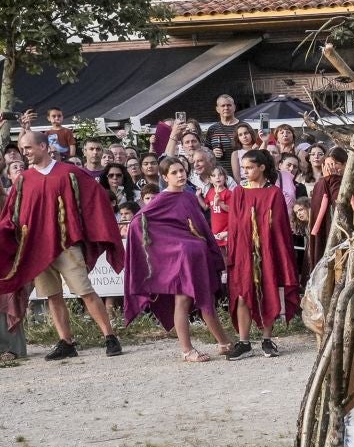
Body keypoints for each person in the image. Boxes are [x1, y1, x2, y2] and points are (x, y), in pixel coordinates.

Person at [0, 127, 124, 359]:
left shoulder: (69, 173)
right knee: (52, 296)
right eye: (21, 149)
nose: (23, 153)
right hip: (36, 248)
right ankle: (66, 342)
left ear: (43, 147)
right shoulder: (23, 180)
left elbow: (95, 201)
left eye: (27, 148)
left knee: (85, 291)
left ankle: (110, 337)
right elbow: (12, 216)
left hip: (67, 244)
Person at [124, 156, 237, 362]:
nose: (180, 175)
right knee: (183, 301)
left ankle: (223, 342)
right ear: (165, 177)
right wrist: (173, 246)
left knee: (206, 299)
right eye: (174, 172)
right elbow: (136, 224)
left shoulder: (188, 196)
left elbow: (199, 226)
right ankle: (188, 350)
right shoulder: (161, 199)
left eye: (182, 171)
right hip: (180, 260)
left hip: (196, 258)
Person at [224, 148, 300, 359]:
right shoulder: (239, 191)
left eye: (249, 168)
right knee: (241, 295)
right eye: (244, 168)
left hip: (267, 250)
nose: (245, 171)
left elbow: (280, 228)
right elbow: (234, 225)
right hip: (243, 252)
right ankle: (244, 342)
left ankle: (267, 339)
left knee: (268, 291)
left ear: (262, 168)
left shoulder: (274, 193)